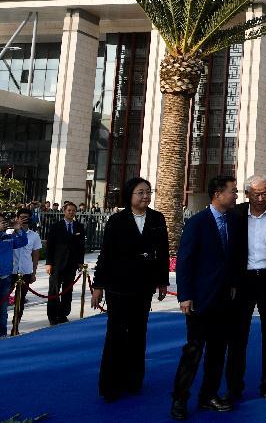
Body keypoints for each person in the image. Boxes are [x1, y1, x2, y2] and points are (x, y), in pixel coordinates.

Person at [91, 177, 169, 401]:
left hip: (143, 286)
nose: (145, 196)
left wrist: (162, 281)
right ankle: (110, 385)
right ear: (129, 195)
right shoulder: (117, 220)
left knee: (138, 332)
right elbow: (106, 254)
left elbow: (163, 252)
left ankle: (133, 379)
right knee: (116, 333)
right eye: (140, 192)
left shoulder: (157, 218)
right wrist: (98, 285)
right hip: (118, 286)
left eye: (148, 192)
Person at [170, 175, 241, 420]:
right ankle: (180, 399)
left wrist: (233, 283)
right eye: (233, 191)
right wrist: (185, 295)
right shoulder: (198, 222)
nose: (236, 195)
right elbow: (185, 261)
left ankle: (208, 395)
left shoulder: (233, 221)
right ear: (218, 194)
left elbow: (233, 257)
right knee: (193, 351)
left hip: (224, 300)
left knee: (217, 351)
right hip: (200, 300)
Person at [225, 174, 266, 404]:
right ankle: (234, 388)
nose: (261, 198)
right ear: (247, 194)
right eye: (256, 194)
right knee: (237, 337)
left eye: (265, 194)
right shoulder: (235, 215)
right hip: (242, 282)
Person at [45, 201, 86, 325]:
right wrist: (48, 263)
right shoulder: (56, 226)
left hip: (71, 264)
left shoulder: (79, 227)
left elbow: (81, 246)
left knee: (68, 290)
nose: (71, 212)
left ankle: (63, 314)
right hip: (57, 264)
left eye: (73, 210)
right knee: (54, 290)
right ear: (64, 211)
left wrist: (80, 262)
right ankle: (52, 315)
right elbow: (49, 246)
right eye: (69, 210)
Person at [10, 208, 42, 329]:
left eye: (26, 217)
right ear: (17, 218)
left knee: (21, 300)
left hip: (25, 272)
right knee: (3, 298)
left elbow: (35, 255)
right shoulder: (9, 233)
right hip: (10, 271)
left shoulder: (34, 235)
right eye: (21, 217)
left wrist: (34, 273)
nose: (23, 219)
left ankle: (16, 325)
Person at [0, 214, 28, 337]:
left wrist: (18, 229)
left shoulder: (8, 237)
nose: (3, 223)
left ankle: (2, 334)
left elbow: (22, 242)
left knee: (3, 309)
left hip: (5, 278)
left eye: (3, 221)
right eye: (0, 221)